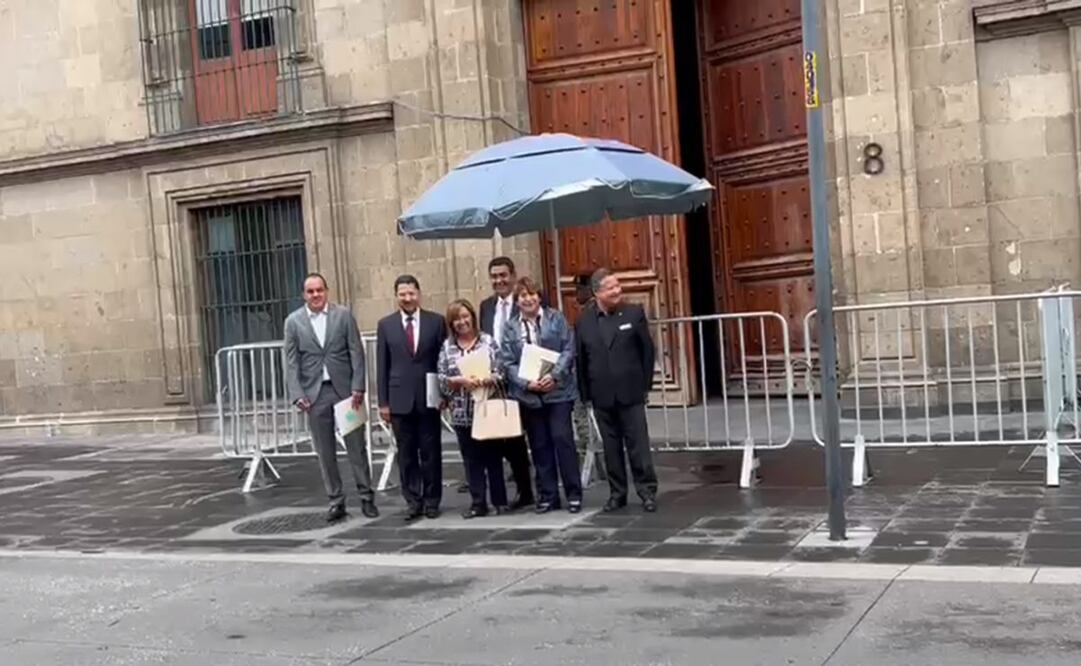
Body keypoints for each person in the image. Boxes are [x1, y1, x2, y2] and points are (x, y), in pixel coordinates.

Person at [283, 273, 377, 522]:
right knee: (324, 451)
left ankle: (366, 497)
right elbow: (291, 363)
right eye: (310, 291)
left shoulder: (343, 315)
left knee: (357, 446)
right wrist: (297, 394)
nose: (315, 295)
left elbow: (356, 352)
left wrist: (358, 386)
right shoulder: (293, 322)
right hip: (315, 394)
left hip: (346, 392)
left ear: (327, 291)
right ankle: (336, 500)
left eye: (319, 290)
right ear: (304, 294)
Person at [575, 268, 658, 513]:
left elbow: (647, 351)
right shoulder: (584, 322)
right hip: (601, 395)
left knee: (638, 445)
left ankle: (647, 491)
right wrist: (585, 394)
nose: (617, 291)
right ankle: (617, 493)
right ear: (597, 292)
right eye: (611, 287)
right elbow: (581, 361)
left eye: (618, 286)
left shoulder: (633, 313)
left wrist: (645, 385)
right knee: (611, 448)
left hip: (630, 392)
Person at [501, 277, 583, 514]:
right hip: (529, 395)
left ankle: (574, 493)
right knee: (539, 445)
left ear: (540, 296)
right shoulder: (511, 327)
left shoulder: (556, 318)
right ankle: (548, 495)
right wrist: (527, 382)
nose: (528, 299)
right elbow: (508, 361)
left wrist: (554, 375)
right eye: (522, 296)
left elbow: (568, 349)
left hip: (558, 392)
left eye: (532, 294)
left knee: (562, 440)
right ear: (517, 301)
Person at [376, 275, 447, 522]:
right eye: (402, 294)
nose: (407, 298)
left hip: (429, 398)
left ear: (419, 293)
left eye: (411, 293)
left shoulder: (436, 322)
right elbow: (382, 365)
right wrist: (383, 402)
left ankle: (432, 501)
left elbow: (443, 361)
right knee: (406, 455)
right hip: (399, 400)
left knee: (431, 452)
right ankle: (413, 501)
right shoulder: (386, 325)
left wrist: (443, 394)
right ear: (396, 296)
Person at [438, 299, 508, 518]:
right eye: (456, 319)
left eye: (465, 316)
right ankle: (478, 503)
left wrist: (490, 378)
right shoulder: (447, 347)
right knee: (471, 460)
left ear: (472, 317)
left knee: (493, 458)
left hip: (487, 408)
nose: (462, 322)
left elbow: (502, 372)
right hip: (462, 412)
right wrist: (458, 381)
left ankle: (500, 501)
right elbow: (441, 379)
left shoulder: (487, 342)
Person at [477, 256, 535, 511]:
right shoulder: (486, 306)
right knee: (504, 439)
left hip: (522, 379)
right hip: (494, 384)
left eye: (503, 275)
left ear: (512, 276)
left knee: (524, 438)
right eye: (494, 276)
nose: (499, 280)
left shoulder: (523, 302)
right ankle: (517, 490)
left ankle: (530, 490)